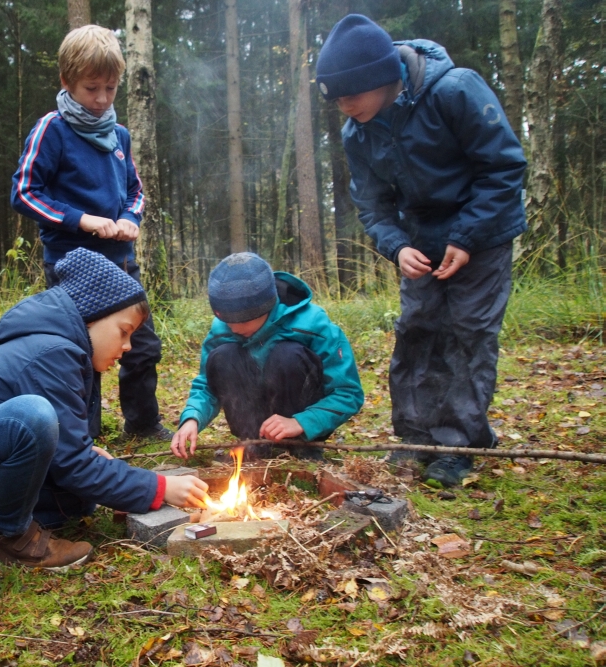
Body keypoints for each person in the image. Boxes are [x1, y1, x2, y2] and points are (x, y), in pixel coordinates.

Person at [0, 248, 209, 573]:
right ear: (91, 315)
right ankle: (9, 541)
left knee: (74, 500)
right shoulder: (54, 352)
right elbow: (72, 464)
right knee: (32, 416)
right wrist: (158, 488)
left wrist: (95, 464)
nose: (127, 347)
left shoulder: (61, 350)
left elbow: (66, 458)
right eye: (124, 332)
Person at [315, 15, 527, 487]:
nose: (345, 107)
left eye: (351, 94)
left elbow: (504, 169)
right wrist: (396, 247)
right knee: (418, 330)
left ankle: (458, 445)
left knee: (467, 332)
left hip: (484, 234)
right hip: (422, 243)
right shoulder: (359, 131)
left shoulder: (454, 91)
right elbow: (371, 203)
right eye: (336, 100)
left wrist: (468, 237)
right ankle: (414, 439)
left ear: (383, 78)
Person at [10, 24, 170, 442]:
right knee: (82, 355)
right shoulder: (52, 130)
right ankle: (83, 439)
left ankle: (142, 425)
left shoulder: (119, 137)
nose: (101, 100)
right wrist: (82, 220)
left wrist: (129, 218)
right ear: (67, 82)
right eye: (91, 88)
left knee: (143, 347)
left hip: (121, 263)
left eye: (110, 89)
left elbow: (134, 192)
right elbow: (25, 192)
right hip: (72, 269)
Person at [170, 253, 364, 462]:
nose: (233, 327)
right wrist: (192, 418)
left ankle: (301, 449)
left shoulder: (313, 325)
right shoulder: (221, 330)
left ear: (266, 307)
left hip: (301, 423)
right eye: (226, 320)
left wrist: (301, 422)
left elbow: (347, 393)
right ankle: (254, 446)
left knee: (287, 356)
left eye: (241, 320)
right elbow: (207, 385)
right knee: (223, 356)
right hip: (253, 430)